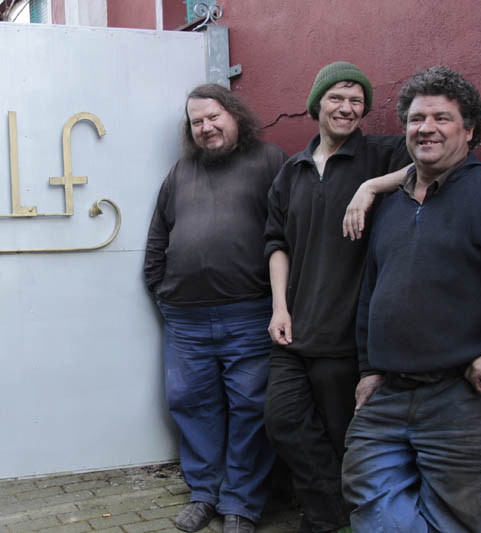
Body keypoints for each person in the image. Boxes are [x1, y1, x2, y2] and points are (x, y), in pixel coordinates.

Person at [343, 66, 481, 532]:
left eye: (441, 118)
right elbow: (372, 289)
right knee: (368, 500)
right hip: (389, 395)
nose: (425, 128)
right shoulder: (390, 204)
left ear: (469, 131)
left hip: (463, 400)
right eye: (416, 119)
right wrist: (369, 369)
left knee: (458, 518)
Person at [263, 61, 411, 533]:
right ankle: (330, 514)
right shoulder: (292, 171)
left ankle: (331, 518)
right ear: (317, 104)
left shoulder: (381, 154)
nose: (347, 108)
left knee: (343, 434)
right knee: (283, 421)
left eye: (356, 101)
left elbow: (435, 159)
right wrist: (279, 307)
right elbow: (276, 243)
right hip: (294, 330)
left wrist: (371, 187)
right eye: (337, 98)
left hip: (348, 334)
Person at [144, 83, 287, 533]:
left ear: (235, 115)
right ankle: (204, 494)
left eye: (213, 117)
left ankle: (241, 504)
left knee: (251, 409)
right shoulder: (180, 172)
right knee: (191, 404)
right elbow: (158, 236)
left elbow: (288, 232)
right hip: (185, 318)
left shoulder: (269, 161)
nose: (206, 127)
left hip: (249, 314)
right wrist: (160, 287)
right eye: (197, 121)